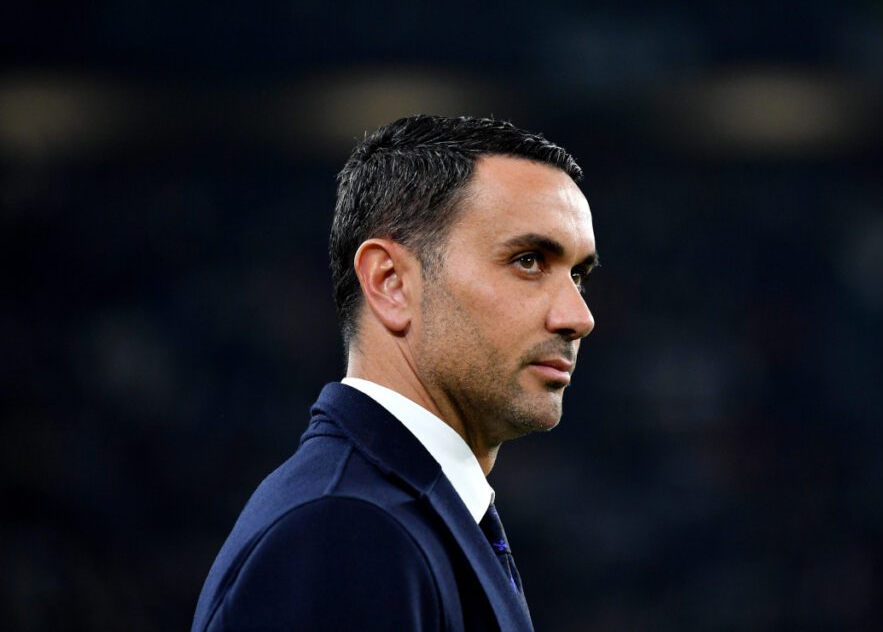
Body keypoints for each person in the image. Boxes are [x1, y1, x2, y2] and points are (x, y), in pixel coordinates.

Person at [191, 115, 598, 631]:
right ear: (390, 283)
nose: (578, 317)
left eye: (578, 275)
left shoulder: (389, 513)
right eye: (528, 260)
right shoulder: (343, 532)